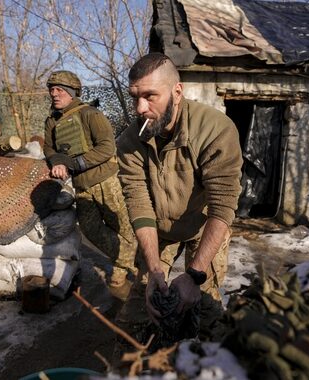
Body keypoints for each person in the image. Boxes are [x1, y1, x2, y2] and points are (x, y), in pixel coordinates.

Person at [117, 53, 243, 337]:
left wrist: (195, 275)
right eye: (135, 96)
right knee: (139, 310)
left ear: (177, 91)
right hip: (159, 231)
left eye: (150, 96)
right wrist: (153, 271)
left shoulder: (215, 130)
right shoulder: (129, 141)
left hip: (204, 228)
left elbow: (222, 207)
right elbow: (139, 203)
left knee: (206, 310)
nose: (140, 108)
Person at [43, 71, 137, 289]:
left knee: (123, 228)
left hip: (106, 180)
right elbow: (49, 147)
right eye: (51, 90)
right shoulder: (51, 121)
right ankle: (132, 262)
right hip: (81, 185)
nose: (54, 94)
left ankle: (126, 268)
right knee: (90, 228)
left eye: (59, 90)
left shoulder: (90, 114)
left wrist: (74, 164)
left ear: (71, 92)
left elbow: (107, 147)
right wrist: (57, 160)